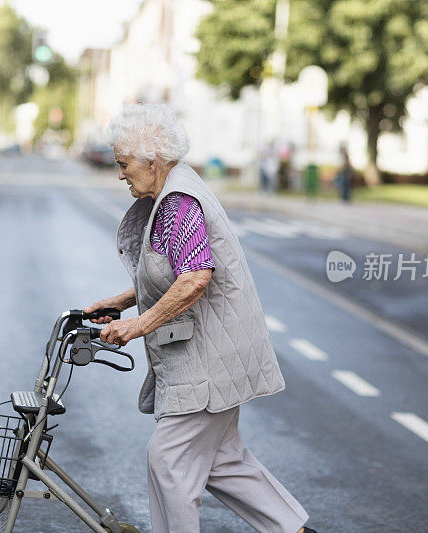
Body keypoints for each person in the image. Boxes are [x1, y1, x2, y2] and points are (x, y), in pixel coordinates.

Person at [84, 104, 316, 533]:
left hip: (209, 361)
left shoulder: (178, 202)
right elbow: (174, 270)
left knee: (169, 459)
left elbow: (193, 277)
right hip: (213, 355)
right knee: (224, 463)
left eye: (123, 164)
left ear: (152, 160)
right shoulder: (171, 191)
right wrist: (121, 302)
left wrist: (136, 326)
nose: (119, 174)